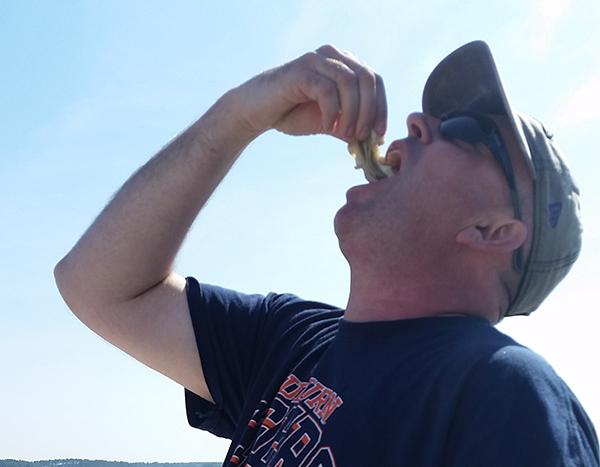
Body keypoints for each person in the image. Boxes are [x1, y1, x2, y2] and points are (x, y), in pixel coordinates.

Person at [54, 41, 599, 466]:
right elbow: (97, 287)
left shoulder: (508, 394)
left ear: (492, 231)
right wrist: (242, 116)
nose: (415, 123)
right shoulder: (289, 339)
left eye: (465, 130)